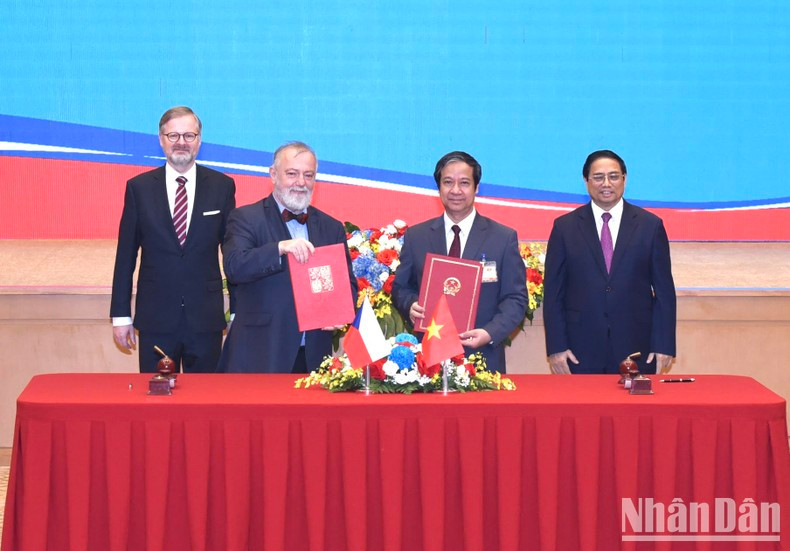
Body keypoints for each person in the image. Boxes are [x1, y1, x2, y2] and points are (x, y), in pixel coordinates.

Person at [110, 106, 236, 372]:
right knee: (157, 405)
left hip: (206, 319)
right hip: (156, 318)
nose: (181, 142)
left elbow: (233, 253)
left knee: (206, 403)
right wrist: (121, 315)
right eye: (173, 135)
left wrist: (237, 310)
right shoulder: (138, 189)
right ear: (161, 139)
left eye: (189, 136)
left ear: (199, 141)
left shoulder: (222, 186)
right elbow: (125, 256)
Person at [219, 141, 356, 373]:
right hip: (261, 353)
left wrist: (341, 312)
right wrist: (279, 248)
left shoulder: (331, 227)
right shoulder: (245, 218)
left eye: (308, 175)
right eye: (292, 174)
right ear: (273, 174)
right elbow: (234, 266)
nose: (300, 182)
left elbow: (347, 284)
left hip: (313, 354)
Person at [543, 149, 676, 375]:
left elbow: (664, 292)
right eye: (598, 177)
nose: (606, 183)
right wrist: (556, 347)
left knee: (636, 411)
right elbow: (553, 293)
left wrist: (663, 344)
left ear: (625, 179)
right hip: (579, 350)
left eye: (614, 176)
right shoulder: (564, 228)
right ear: (586, 181)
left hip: (637, 348)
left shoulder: (650, 226)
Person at [392, 151, 527, 373]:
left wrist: (490, 333)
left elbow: (516, 298)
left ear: (476, 188)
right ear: (439, 188)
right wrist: (410, 305)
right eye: (448, 182)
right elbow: (400, 288)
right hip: (428, 360)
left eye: (464, 183)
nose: (456, 190)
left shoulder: (502, 238)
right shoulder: (417, 236)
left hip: (483, 360)